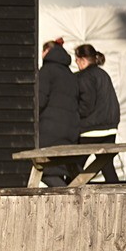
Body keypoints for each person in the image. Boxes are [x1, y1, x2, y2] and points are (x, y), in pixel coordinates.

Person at [74, 43, 121, 183]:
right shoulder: (103, 74)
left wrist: (74, 115)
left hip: (91, 129)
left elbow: (86, 105)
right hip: (110, 128)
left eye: (76, 60)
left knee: (75, 164)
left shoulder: (85, 77)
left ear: (82, 60)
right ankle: (116, 195)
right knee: (107, 166)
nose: (76, 64)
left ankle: (71, 193)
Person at [37, 39, 79, 187]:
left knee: (43, 169)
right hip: (70, 129)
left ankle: (71, 201)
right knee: (63, 169)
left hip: (50, 129)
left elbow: (39, 100)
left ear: (47, 51)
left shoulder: (46, 71)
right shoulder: (70, 74)